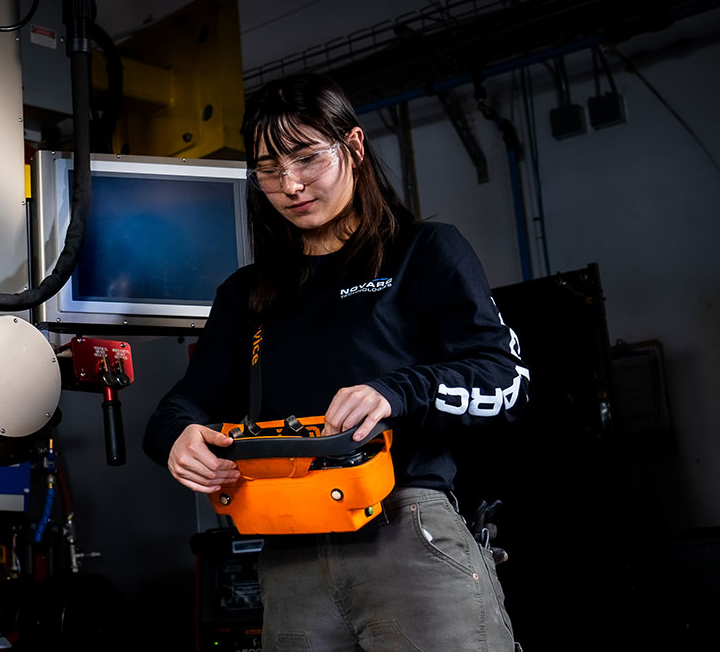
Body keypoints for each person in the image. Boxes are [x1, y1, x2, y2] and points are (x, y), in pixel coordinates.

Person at [143, 72, 526, 651]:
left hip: (405, 533)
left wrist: (396, 392)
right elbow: (190, 398)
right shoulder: (248, 294)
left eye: (305, 159)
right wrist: (177, 434)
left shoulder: (424, 252)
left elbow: (506, 380)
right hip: (288, 547)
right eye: (269, 170)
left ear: (354, 145)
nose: (290, 184)